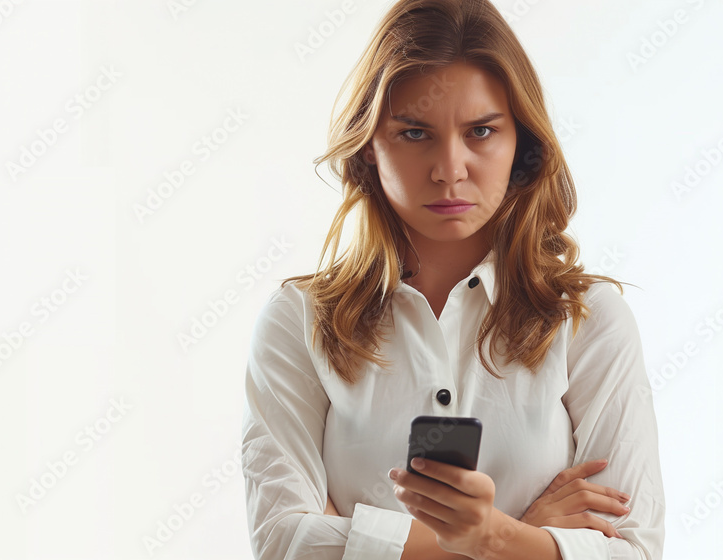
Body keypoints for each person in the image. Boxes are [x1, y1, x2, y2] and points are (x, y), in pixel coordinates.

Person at [240, 1, 666, 558]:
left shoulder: (588, 320)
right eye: (415, 133)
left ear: (522, 145)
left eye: (481, 131)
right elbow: (282, 541)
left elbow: (633, 549)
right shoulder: (299, 321)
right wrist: (512, 539)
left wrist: (482, 535)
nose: (450, 168)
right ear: (370, 147)